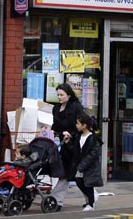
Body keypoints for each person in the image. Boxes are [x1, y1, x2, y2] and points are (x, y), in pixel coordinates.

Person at [51, 83, 85, 211]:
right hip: (64, 143)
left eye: (62, 95)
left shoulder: (76, 107)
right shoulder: (56, 109)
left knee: (73, 173)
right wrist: (53, 132)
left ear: (69, 95)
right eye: (58, 95)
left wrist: (71, 135)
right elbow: (55, 126)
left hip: (75, 143)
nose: (59, 97)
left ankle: (56, 200)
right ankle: (57, 200)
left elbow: (82, 125)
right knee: (68, 172)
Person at [65, 113, 103, 212]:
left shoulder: (93, 139)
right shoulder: (79, 137)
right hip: (81, 165)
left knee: (88, 184)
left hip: (90, 166)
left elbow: (93, 155)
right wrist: (68, 143)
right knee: (79, 181)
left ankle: (91, 204)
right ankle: (90, 199)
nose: (76, 126)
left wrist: (82, 165)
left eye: (78, 124)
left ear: (84, 125)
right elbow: (75, 151)